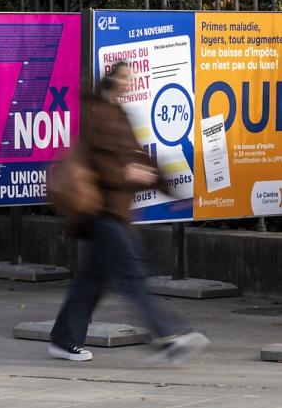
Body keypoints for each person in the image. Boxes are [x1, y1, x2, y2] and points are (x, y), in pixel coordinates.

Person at [48, 61, 209, 363]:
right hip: (102, 210)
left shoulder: (118, 113)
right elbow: (100, 164)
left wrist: (171, 190)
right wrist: (127, 175)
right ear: (110, 79)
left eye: (130, 78)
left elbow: (137, 156)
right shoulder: (96, 113)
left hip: (114, 212)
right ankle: (169, 337)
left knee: (91, 282)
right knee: (133, 276)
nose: (129, 83)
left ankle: (63, 339)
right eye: (124, 78)